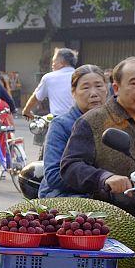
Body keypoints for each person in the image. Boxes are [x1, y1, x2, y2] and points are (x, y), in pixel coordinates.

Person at [61, 57, 135, 226]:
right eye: (134, 83)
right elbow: (70, 167)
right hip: (113, 219)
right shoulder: (93, 121)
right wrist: (104, 178)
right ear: (116, 88)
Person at [38, 65, 107, 198]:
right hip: (65, 196)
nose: (94, 93)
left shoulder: (116, 122)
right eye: (86, 88)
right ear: (73, 92)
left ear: (107, 89)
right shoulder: (61, 125)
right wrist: (100, 180)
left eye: (99, 86)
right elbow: (53, 175)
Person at [23, 48, 77, 119]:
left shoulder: (49, 77)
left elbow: (36, 97)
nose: (52, 65)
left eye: (54, 61)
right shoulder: (81, 76)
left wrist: (26, 111)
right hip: (81, 119)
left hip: (59, 120)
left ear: (62, 63)